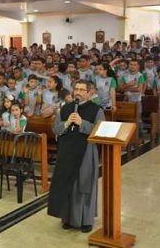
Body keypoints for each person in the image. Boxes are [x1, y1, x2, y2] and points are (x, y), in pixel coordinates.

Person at [48, 79, 105, 233]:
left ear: (88, 92)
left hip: (86, 150)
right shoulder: (65, 108)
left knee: (84, 185)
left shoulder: (96, 110)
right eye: (76, 89)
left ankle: (86, 220)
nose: (78, 92)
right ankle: (68, 218)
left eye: (82, 89)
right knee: (68, 183)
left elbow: (100, 131)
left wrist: (82, 123)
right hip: (67, 150)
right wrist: (66, 124)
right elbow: (56, 128)